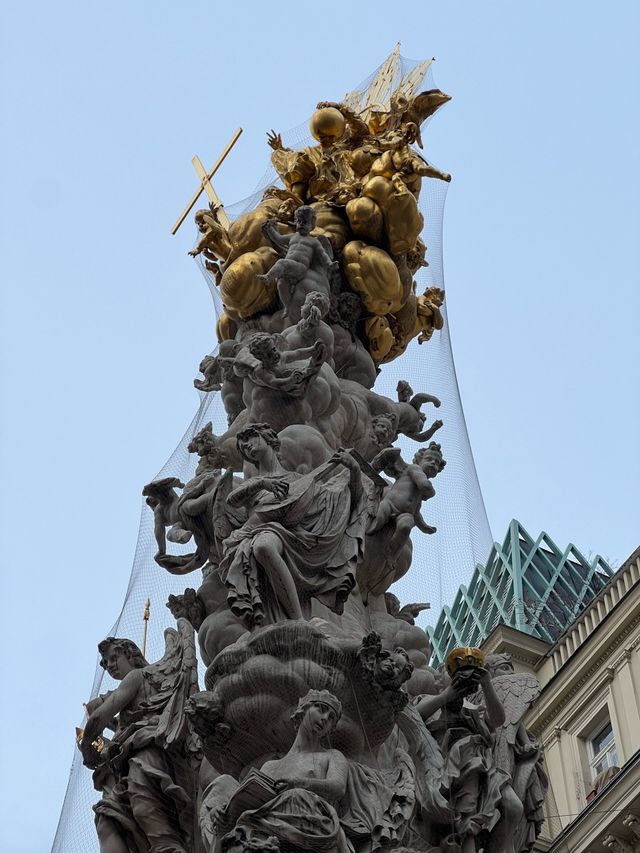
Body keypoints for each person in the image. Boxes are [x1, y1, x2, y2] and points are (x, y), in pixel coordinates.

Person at [219, 423, 365, 628]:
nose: (247, 447)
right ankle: (294, 622)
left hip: (286, 539)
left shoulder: (297, 480)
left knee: (264, 546)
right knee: (261, 545)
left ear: (268, 439)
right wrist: (263, 484)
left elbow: (341, 503)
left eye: (251, 440)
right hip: (247, 535)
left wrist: (355, 471)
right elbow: (232, 500)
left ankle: (298, 620)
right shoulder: (255, 482)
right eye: (243, 447)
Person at [80, 626, 199, 853]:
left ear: (131, 654)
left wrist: (87, 747)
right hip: (125, 761)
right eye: (106, 664)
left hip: (145, 753)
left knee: (148, 814)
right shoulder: (150, 683)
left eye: (114, 658)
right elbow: (124, 718)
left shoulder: (137, 677)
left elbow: (98, 717)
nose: (110, 666)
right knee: (108, 818)